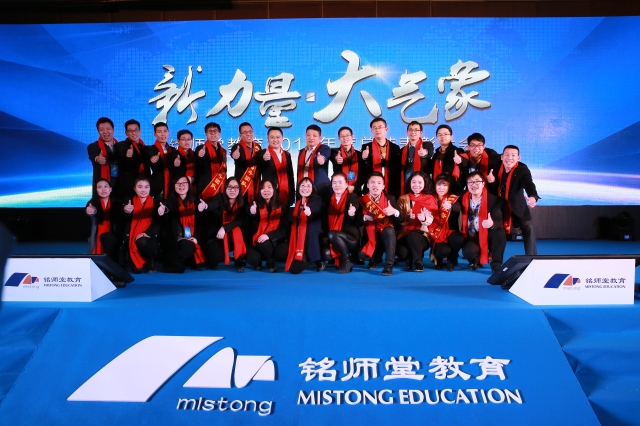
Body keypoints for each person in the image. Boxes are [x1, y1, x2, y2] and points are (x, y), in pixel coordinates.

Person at [487, 145, 540, 255]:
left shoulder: (522, 170)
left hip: (516, 203)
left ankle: (532, 257)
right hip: (497, 203)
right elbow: (489, 151)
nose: (509, 158)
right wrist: (491, 181)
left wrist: (532, 196)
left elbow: (529, 184)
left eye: (513, 155)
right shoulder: (497, 162)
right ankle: (492, 253)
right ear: (502, 157)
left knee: (528, 228)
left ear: (518, 158)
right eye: (507, 155)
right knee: (492, 226)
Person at [158, 175, 209, 273]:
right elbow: (167, 206)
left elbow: (202, 225)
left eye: (184, 183)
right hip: (176, 240)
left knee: (193, 249)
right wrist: (163, 209)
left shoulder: (196, 201)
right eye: (178, 183)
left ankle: (182, 260)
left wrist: (196, 238)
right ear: (174, 186)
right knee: (187, 247)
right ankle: (173, 261)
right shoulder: (171, 201)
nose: (181, 186)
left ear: (189, 185)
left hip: (192, 239)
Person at [458, 171, 506, 272]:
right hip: (472, 234)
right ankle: (475, 260)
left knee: (499, 233)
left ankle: (496, 265)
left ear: (483, 183)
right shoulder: (463, 196)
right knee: (468, 251)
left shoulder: (493, 199)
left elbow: (499, 220)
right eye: (470, 182)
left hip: (487, 233)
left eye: (477, 181)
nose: (474, 185)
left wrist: (492, 223)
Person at [359, 172, 404, 276]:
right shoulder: (362, 200)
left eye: (379, 183)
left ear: (383, 186)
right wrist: (364, 218)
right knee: (362, 255)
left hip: (386, 236)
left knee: (389, 230)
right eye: (373, 182)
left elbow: (402, 218)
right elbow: (356, 220)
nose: (376, 185)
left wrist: (394, 211)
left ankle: (389, 265)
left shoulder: (390, 199)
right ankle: (375, 257)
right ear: (368, 185)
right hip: (370, 235)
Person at [396, 171, 438, 272]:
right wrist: (407, 218)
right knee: (401, 253)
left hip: (422, 235)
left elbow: (432, 220)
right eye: (414, 182)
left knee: (413, 237)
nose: (416, 185)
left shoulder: (429, 199)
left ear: (425, 184)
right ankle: (410, 258)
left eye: (420, 182)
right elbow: (399, 219)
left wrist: (424, 219)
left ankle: (418, 262)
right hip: (405, 233)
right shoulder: (403, 198)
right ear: (410, 183)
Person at [206, 178, 250, 272]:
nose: (232, 190)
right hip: (218, 236)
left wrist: (225, 228)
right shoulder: (219, 198)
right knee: (216, 257)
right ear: (225, 188)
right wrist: (206, 206)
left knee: (239, 231)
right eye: (229, 187)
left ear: (239, 189)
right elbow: (212, 205)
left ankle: (239, 259)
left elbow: (241, 221)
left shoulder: (243, 202)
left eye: (235, 187)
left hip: (233, 237)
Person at [245, 180, 290, 273]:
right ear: (259, 191)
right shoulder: (255, 205)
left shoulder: (281, 207)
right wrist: (252, 212)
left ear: (274, 190)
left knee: (280, 251)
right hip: (256, 240)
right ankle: (267, 259)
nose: (266, 190)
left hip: (274, 240)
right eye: (263, 188)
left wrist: (268, 235)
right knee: (252, 259)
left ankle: (270, 261)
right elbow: (249, 214)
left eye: (269, 187)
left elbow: (283, 229)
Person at [325, 173, 362, 274]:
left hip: (350, 238)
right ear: (332, 185)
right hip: (335, 237)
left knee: (332, 234)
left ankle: (347, 261)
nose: (337, 185)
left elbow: (354, 204)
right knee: (325, 254)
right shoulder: (329, 199)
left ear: (346, 185)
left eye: (340, 182)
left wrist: (352, 211)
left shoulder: (352, 196)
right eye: (334, 182)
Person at [285, 178, 325, 274]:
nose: (305, 188)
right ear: (298, 188)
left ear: (313, 188)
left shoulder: (316, 199)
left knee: (294, 269)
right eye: (302, 185)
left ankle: (317, 260)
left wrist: (309, 210)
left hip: (309, 240)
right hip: (298, 239)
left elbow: (315, 206)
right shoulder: (298, 203)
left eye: (308, 186)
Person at [122, 177, 160, 273]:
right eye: (140, 187)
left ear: (150, 188)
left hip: (149, 239)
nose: (143, 190)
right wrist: (126, 210)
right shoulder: (129, 202)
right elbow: (122, 214)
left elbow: (159, 224)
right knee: (137, 270)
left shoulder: (156, 203)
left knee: (142, 241)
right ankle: (139, 258)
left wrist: (146, 233)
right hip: (131, 240)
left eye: (146, 187)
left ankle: (151, 259)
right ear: (134, 189)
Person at [429, 174, 464, 271]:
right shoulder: (430, 198)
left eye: (445, 185)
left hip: (450, 231)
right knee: (443, 250)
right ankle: (439, 259)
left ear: (449, 186)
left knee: (458, 238)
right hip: (435, 232)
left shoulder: (452, 198)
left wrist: (450, 207)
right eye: (439, 185)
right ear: (435, 186)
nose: (441, 188)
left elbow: (458, 208)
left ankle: (451, 259)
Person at [362, 118, 402, 198]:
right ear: (372, 131)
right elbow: (363, 168)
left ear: (386, 129)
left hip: (391, 187)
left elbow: (397, 169)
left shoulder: (395, 148)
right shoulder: (366, 147)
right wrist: (364, 158)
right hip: (373, 187)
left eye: (380, 127)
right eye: (374, 128)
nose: (377, 130)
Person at [256, 127, 294, 207]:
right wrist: (263, 158)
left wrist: (292, 195)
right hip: (269, 195)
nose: (275, 140)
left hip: (285, 194)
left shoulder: (287, 155)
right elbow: (258, 163)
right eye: (272, 137)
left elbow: (290, 176)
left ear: (282, 138)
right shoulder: (262, 153)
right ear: (268, 139)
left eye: (278, 137)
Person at [86, 179, 121, 263]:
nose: (103, 190)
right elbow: (93, 210)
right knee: (107, 237)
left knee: (109, 238)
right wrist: (91, 211)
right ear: (96, 190)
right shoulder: (92, 203)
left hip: (115, 234)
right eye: (99, 187)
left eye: (106, 186)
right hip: (99, 235)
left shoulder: (118, 203)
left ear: (110, 189)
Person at [116, 119, 150, 198]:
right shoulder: (122, 145)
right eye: (131, 131)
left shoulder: (144, 147)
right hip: (129, 185)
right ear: (126, 133)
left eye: (136, 130)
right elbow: (122, 151)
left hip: (144, 183)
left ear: (140, 131)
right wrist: (127, 154)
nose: (134, 133)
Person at [297, 125, 331, 201]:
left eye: (314, 135)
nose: (311, 138)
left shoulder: (324, 148)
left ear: (320, 138)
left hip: (320, 190)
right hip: (304, 190)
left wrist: (322, 159)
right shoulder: (302, 152)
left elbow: (325, 155)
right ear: (305, 136)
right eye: (308, 135)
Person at [231, 122, 261, 204]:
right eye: (245, 132)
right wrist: (234, 155)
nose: (248, 134)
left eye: (250, 131)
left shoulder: (258, 147)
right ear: (240, 135)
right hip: (242, 185)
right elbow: (234, 153)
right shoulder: (237, 147)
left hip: (256, 184)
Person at [88, 117, 119, 196]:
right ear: (98, 131)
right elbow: (94, 158)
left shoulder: (122, 146)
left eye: (108, 128)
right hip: (102, 188)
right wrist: (98, 159)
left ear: (113, 130)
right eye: (102, 129)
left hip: (119, 186)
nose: (105, 132)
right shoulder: (93, 146)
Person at [329, 126, 365, 195]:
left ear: (352, 137)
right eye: (342, 136)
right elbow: (333, 156)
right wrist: (336, 158)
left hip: (355, 190)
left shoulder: (359, 154)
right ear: (339, 139)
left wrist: (354, 186)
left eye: (347, 135)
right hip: (338, 189)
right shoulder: (334, 151)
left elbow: (363, 175)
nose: (345, 138)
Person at [196, 122, 227, 200]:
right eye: (210, 131)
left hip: (221, 186)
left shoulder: (223, 151)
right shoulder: (200, 148)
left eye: (215, 131)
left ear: (219, 134)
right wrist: (200, 156)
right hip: (206, 187)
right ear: (206, 134)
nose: (213, 133)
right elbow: (198, 164)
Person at [431, 124, 466, 193]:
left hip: (454, 191)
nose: (442, 136)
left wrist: (461, 160)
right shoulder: (436, 154)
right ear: (437, 138)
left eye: (445, 134)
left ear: (451, 137)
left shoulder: (457, 151)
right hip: (438, 190)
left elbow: (465, 162)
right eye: (440, 134)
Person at [400, 121, 433, 194]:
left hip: (422, 184)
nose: (413, 132)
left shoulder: (426, 145)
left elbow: (429, 152)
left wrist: (425, 152)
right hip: (407, 183)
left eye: (416, 130)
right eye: (410, 129)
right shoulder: (403, 150)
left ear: (421, 133)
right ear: (407, 132)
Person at [145, 122, 173, 198]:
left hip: (173, 187)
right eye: (159, 132)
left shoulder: (173, 150)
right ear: (155, 134)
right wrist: (152, 159)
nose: (163, 134)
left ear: (168, 133)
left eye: (165, 131)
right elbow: (149, 155)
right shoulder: (151, 149)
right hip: (158, 188)